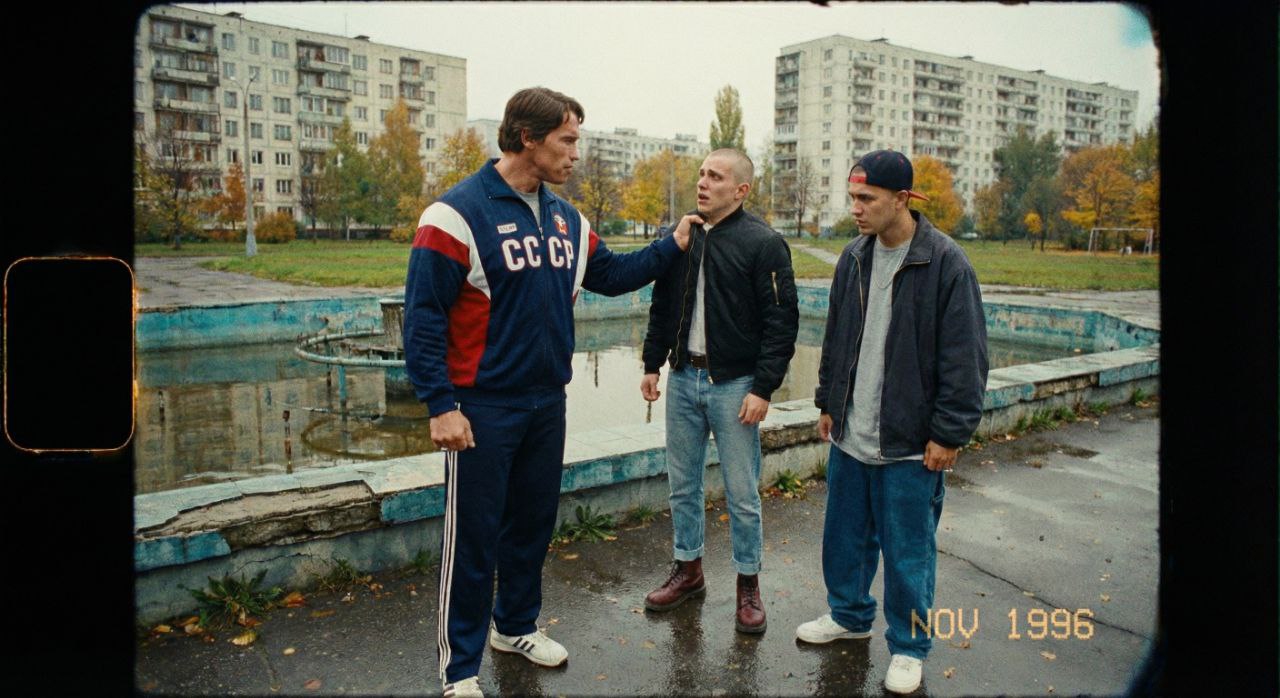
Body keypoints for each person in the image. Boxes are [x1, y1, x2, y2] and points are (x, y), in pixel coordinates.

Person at [403, 87, 690, 698]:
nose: (575, 154)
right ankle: (459, 670)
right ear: (527, 137)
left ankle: (515, 628)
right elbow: (422, 317)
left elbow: (613, 274)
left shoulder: (567, 219)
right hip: (481, 406)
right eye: (567, 140)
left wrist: (671, 245)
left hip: (545, 401)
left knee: (531, 527)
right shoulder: (454, 215)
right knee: (473, 539)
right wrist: (441, 404)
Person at [796, 150, 988, 695]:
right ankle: (849, 616)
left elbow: (966, 358)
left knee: (909, 552)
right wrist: (828, 401)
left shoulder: (946, 263)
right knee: (845, 539)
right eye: (852, 198)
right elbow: (836, 337)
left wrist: (948, 433)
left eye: (867, 199)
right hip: (852, 435)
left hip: (909, 443)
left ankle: (909, 646)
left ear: (902, 199)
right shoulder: (853, 257)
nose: (855, 208)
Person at [639, 148, 799, 634]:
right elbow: (663, 305)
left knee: (742, 493)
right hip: (684, 378)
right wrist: (652, 363)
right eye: (701, 174)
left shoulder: (764, 243)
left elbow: (781, 323)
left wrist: (764, 387)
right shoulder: (681, 237)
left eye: (716, 176)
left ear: (741, 190)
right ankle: (688, 571)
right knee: (682, 485)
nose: (703, 183)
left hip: (735, 386)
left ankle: (748, 585)